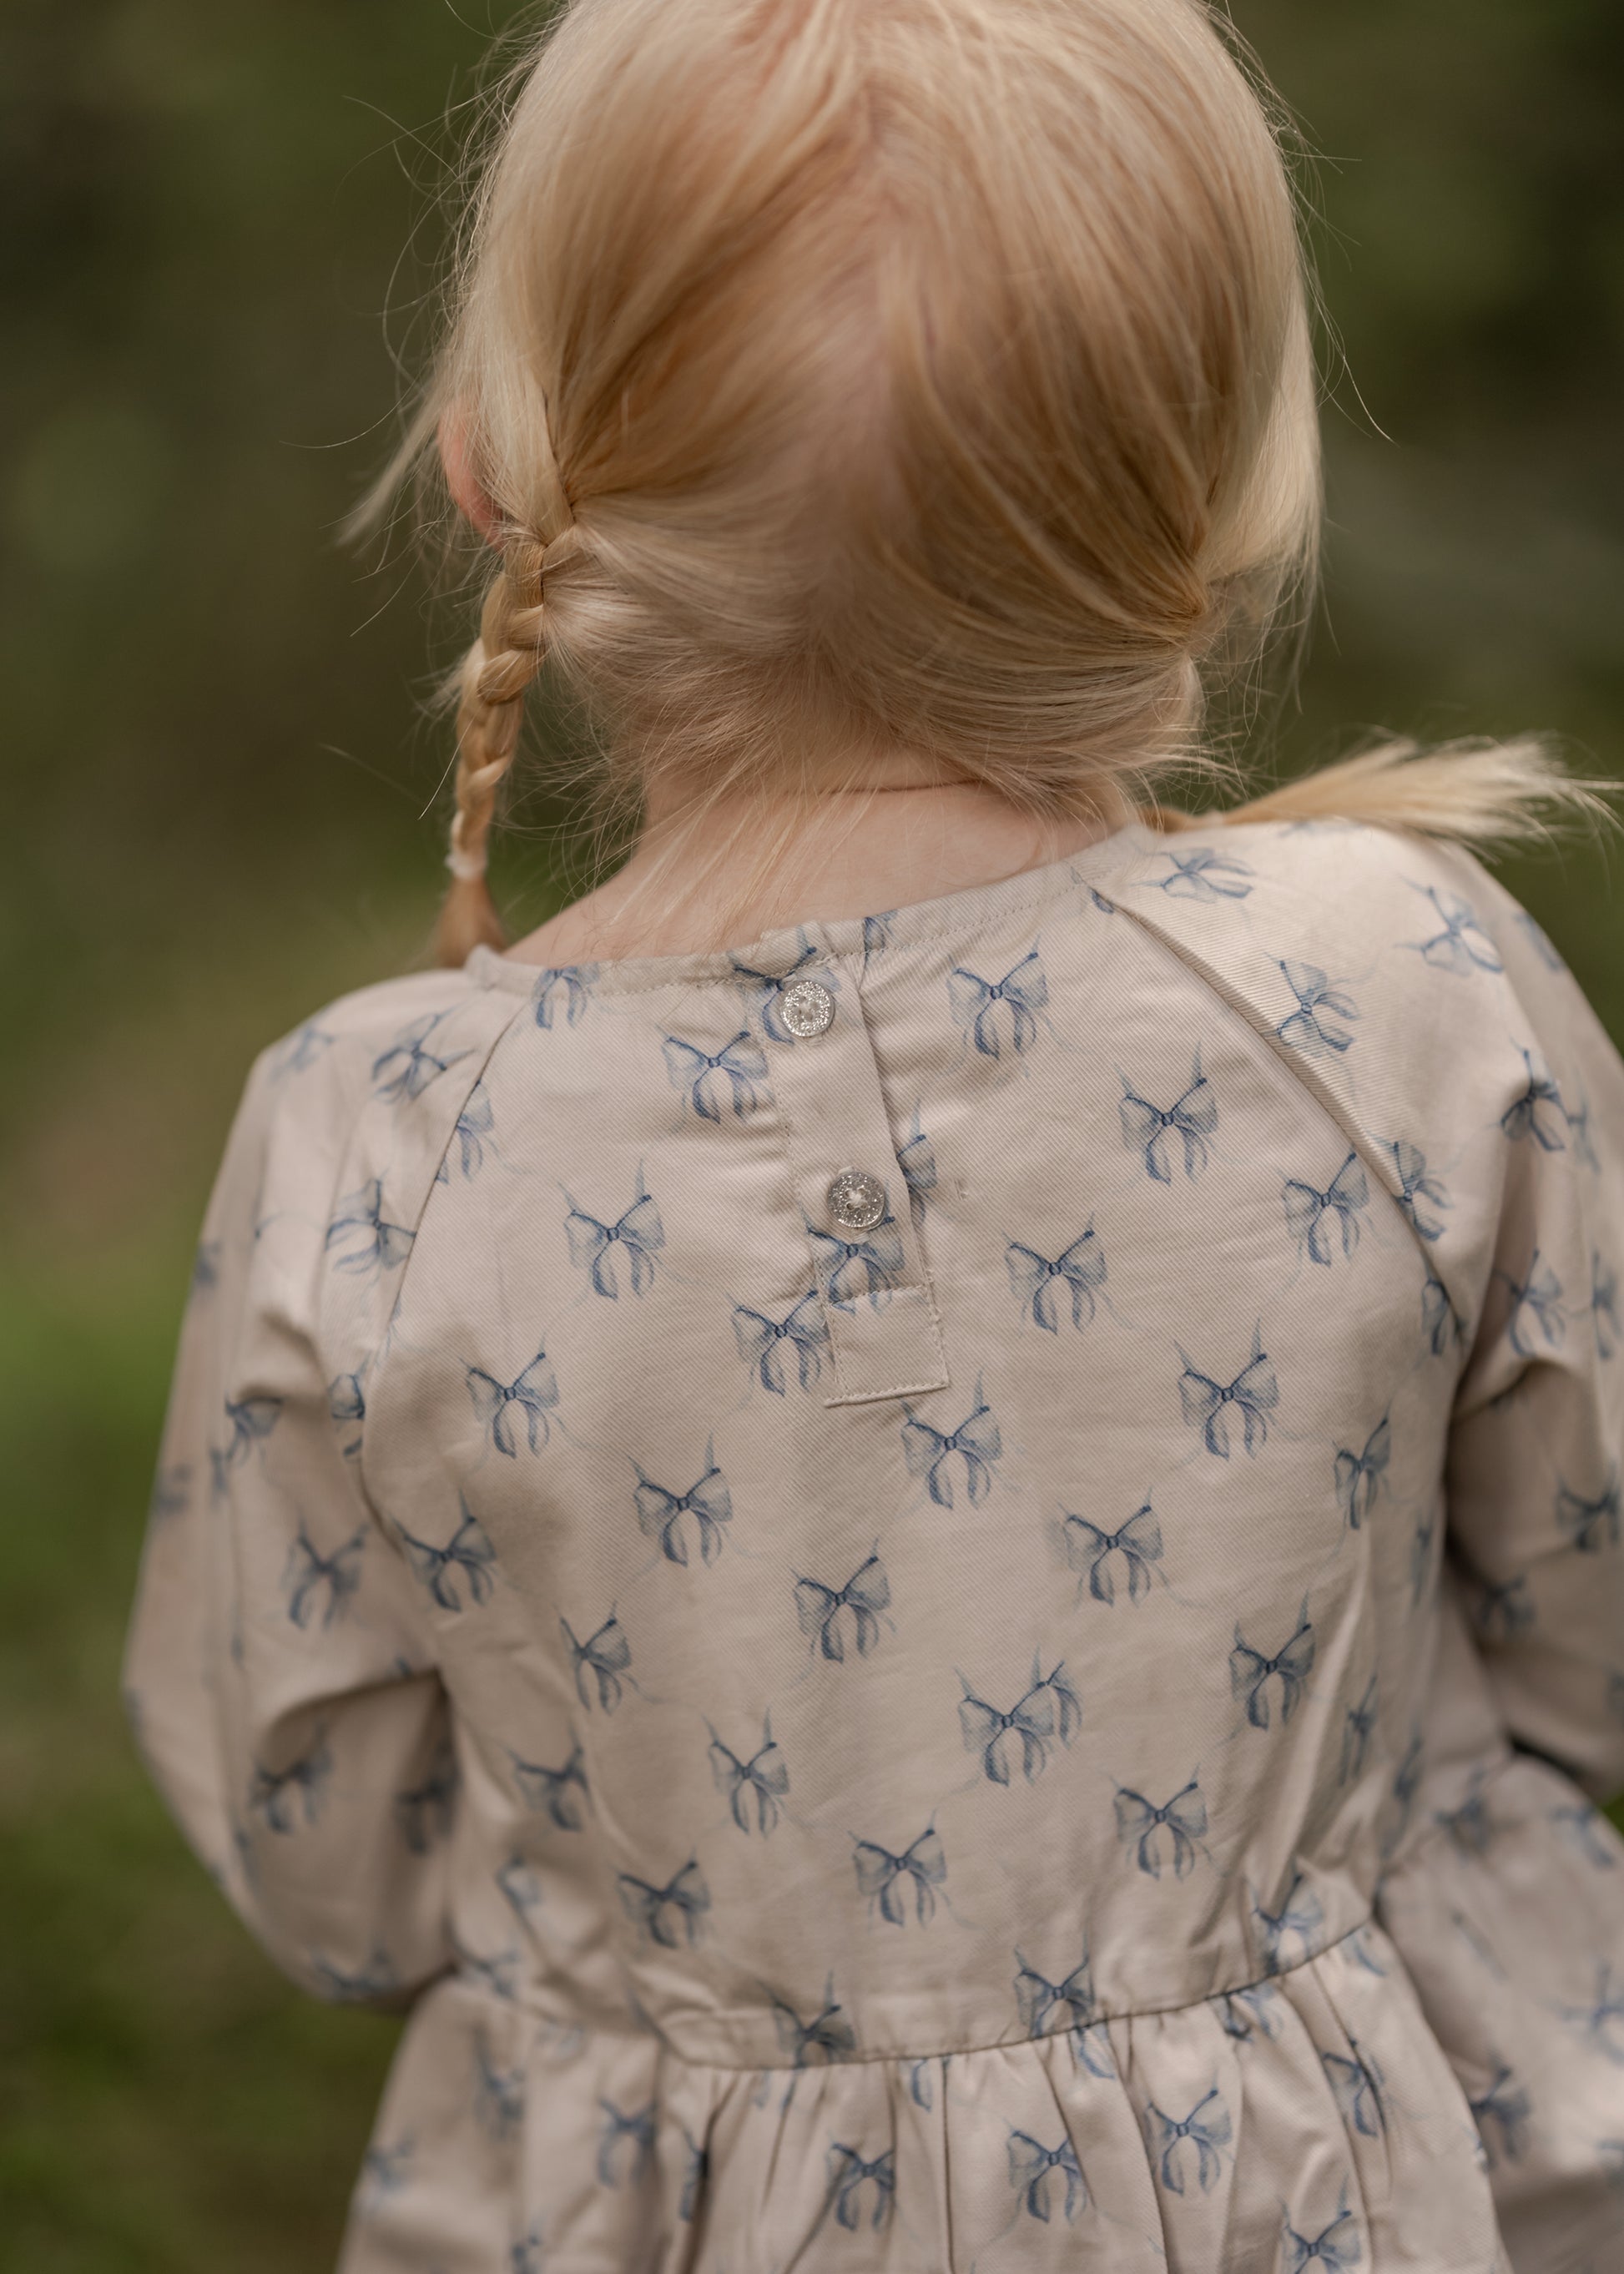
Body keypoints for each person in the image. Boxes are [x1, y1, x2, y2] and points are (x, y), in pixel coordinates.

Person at [124, 2, 1624, 2266]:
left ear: (493, 479)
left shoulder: (375, 1135)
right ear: (1202, 495)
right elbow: (1595, 1611)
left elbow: (321, 1849)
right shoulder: (1378, 987)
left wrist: (698, 1925)